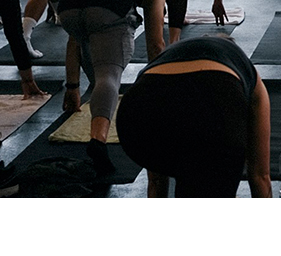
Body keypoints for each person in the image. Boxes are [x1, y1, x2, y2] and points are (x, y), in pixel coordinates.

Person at [116, 36, 271, 198]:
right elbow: (260, 176)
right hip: (215, 107)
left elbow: (156, 180)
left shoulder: (172, 52)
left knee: (173, 167)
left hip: (136, 112)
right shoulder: (243, 65)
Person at [58, 0, 167, 175]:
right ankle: (98, 141)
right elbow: (156, 45)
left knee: (94, 62)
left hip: (67, 10)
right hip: (107, 12)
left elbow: (74, 41)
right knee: (108, 75)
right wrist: (159, 94)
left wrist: (72, 87)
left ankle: (90, 97)